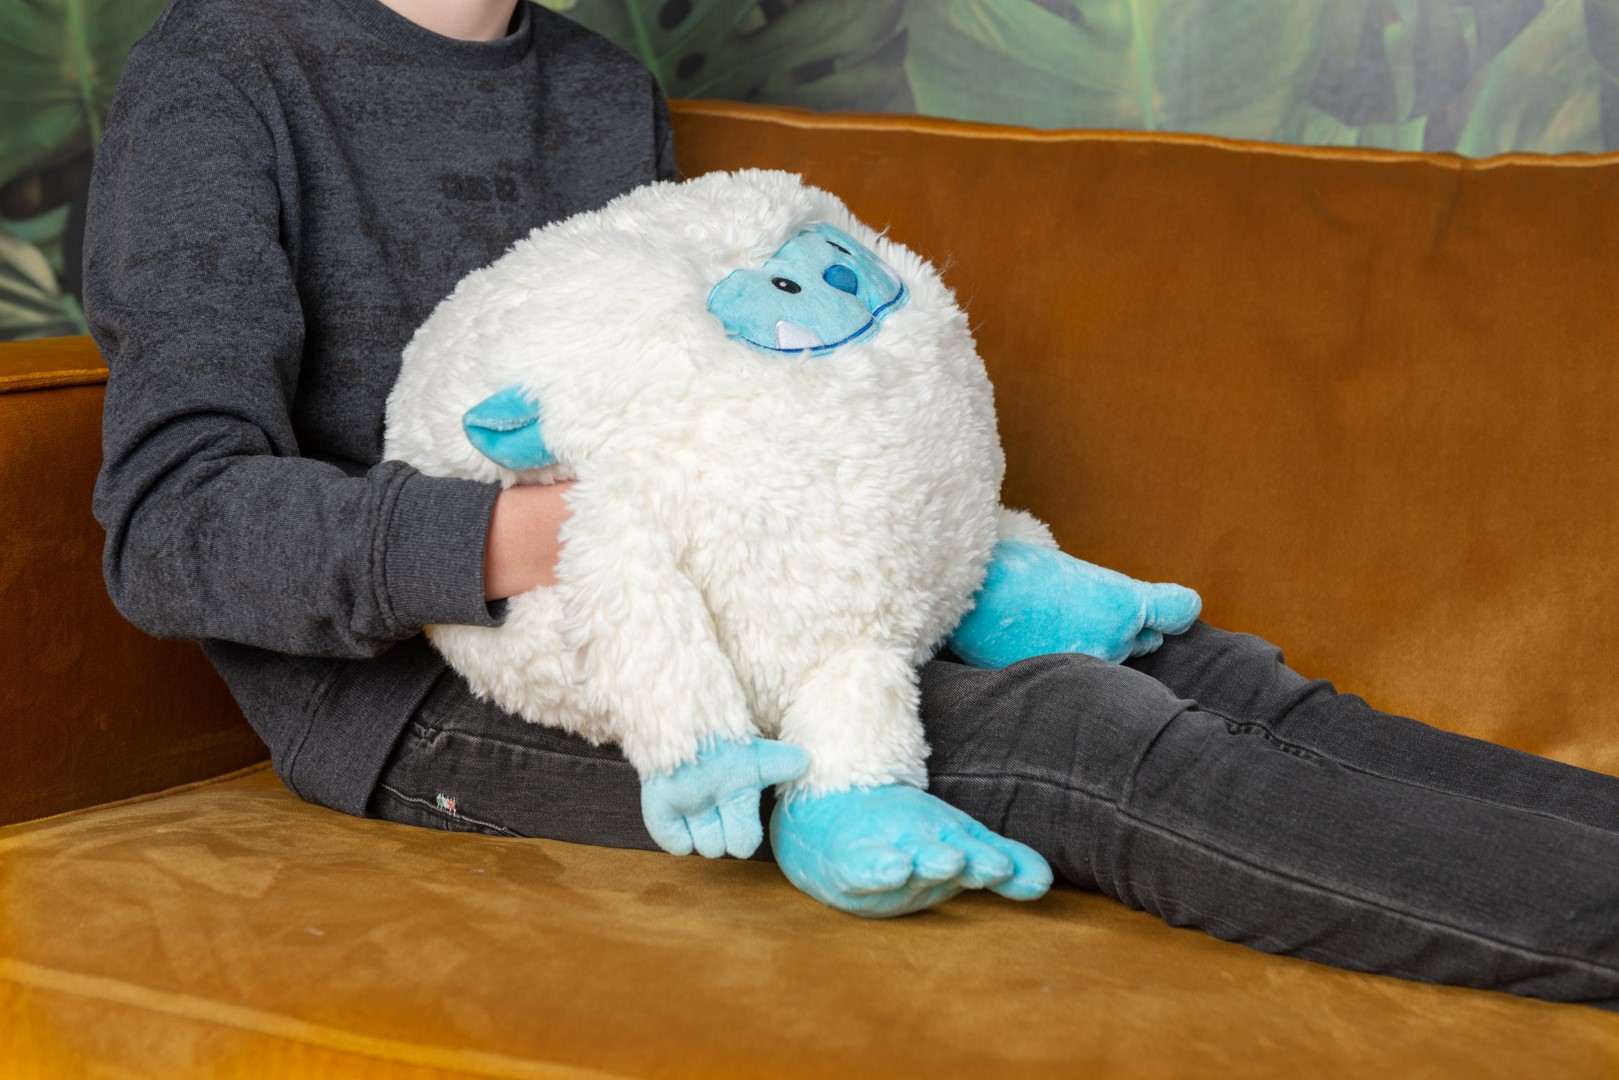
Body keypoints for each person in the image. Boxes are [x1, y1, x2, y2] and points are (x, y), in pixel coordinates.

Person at [86, 0, 1619, 1010]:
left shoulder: (601, 89)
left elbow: (693, 382)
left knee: (1190, 663)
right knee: (1065, 730)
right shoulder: (218, 76)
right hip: (435, 691)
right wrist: (539, 544)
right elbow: (169, 522)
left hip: (742, 584)